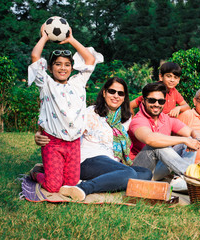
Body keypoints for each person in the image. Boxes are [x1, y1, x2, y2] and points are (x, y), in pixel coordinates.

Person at [34, 77, 152, 201]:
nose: (116, 96)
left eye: (120, 93)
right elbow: (66, 128)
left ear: (124, 97)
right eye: (112, 91)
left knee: (146, 173)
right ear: (104, 92)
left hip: (111, 163)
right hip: (88, 161)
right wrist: (39, 133)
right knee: (130, 174)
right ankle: (84, 188)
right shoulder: (90, 113)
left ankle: (105, 180)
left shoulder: (125, 119)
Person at [28, 23, 102, 193]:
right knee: (53, 187)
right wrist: (45, 37)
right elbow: (35, 56)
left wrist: (71, 39)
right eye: (58, 64)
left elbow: (90, 60)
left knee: (71, 184)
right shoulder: (46, 84)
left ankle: (52, 172)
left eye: (67, 64)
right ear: (50, 67)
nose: (62, 68)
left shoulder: (78, 82)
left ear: (72, 67)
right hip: (52, 141)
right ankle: (36, 173)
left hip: (74, 142)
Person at [129, 82, 200, 187]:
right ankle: (192, 178)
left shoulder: (166, 118)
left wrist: (197, 139)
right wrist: (184, 140)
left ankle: (181, 179)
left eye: (161, 101)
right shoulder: (138, 120)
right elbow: (150, 139)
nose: (156, 104)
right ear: (144, 101)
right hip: (140, 171)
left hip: (158, 171)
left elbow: (191, 132)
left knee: (190, 140)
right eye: (152, 100)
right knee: (157, 144)